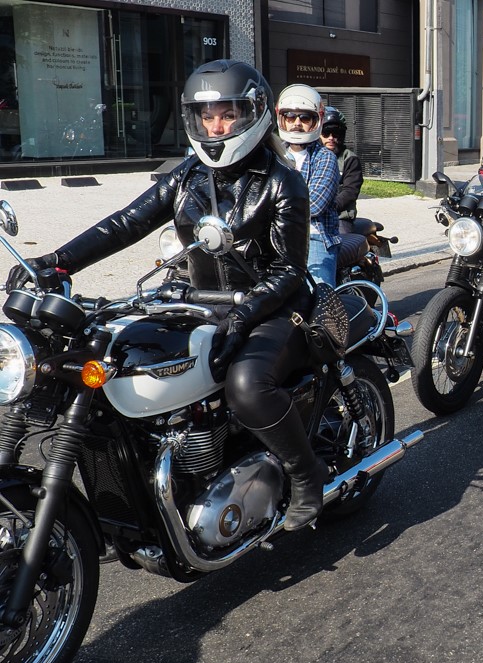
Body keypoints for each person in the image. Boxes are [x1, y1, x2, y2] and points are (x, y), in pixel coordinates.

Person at [5, 60, 327, 531]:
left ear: (252, 114)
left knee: (246, 386)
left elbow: (290, 271)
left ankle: (306, 475)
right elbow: (126, 223)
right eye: (206, 115)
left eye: (228, 114)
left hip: (272, 306)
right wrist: (56, 261)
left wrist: (246, 313)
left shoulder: (282, 182)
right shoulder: (188, 175)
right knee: (125, 357)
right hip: (200, 302)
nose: (216, 126)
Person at [276, 84, 341, 287]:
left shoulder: (325, 157)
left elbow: (314, 204)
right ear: (282, 119)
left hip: (314, 237)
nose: (297, 123)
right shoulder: (272, 155)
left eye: (304, 118)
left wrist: (271, 208)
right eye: (290, 117)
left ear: (316, 120)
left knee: (320, 297)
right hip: (275, 237)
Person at [320, 106, 365, 228]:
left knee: (341, 244)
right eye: (326, 132)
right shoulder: (310, 157)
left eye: (336, 133)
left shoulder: (350, 159)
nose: (331, 137)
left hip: (340, 216)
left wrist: (328, 208)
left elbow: (350, 191)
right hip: (311, 216)